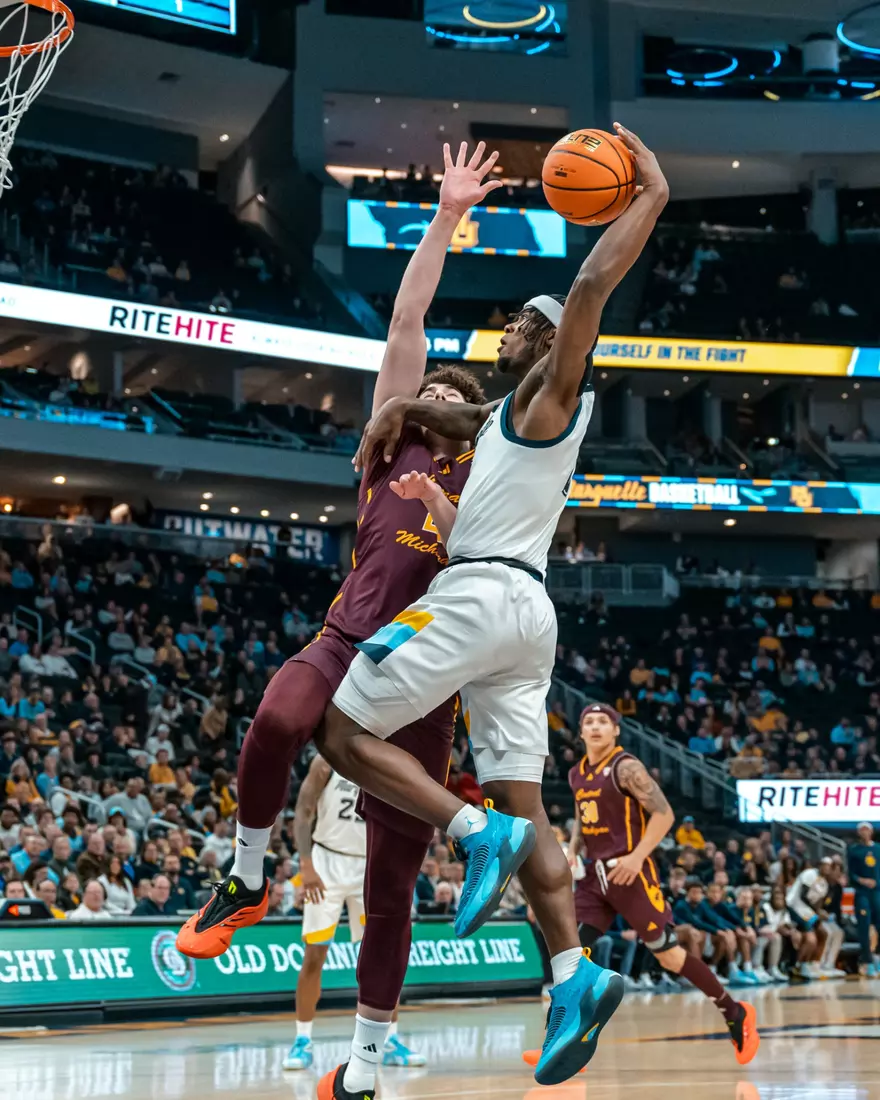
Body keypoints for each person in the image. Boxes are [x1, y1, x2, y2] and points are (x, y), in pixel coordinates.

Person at [310, 124, 671, 1098]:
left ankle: (468, 832)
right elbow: (455, 410)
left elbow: (589, 290)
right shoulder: (516, 414)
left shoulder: (554, 386)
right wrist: (412, 428)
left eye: (522, 318)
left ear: (549, 338)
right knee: (531, 802)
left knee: (338, 728)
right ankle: (569, 975)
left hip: (481, 594)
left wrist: (649, 198)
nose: (507, 325)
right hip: (528, 621)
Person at [177, 143, 504, 1050]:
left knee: (395, 884)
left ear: (464, 420)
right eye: (426, 386)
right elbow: (408, 319)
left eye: (448, 392)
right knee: (279, 715)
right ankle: (246, 877)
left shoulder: (480, 473)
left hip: (430, 675)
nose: (429, 391)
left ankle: (364, 1057)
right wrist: (446, 215)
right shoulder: (382, 450)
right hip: (349, 637)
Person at [569, 704, 759, 1064]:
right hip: (596, 878)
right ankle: (563, 1042)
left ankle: (734, 1012)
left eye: (602, 722)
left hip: (632, 873)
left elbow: (664, 813)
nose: (595, 727)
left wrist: (638, 856)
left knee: (670, 956)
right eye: (588, 722)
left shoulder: (626, 768)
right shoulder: (576, 773)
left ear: (615, 731)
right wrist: (573, 848)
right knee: (570, 952)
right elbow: (581, 813)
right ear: (580, 733)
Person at [282, 755, 424, 1072]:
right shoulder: (328, 760)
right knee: (315, 955)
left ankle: (388, 1039)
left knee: (381, 958)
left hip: (370, 865)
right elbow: (303, 813)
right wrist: (305, 865)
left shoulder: (386, 762)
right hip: (326, 863)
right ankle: (302, 1039)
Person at [848, 821, 880, 977]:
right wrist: (861, 880)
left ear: (871, 832)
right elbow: (850, 873)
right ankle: (866, 961)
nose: (864, 832)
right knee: (864, 925)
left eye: (867, 829)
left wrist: (876, 882)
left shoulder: (878, 849)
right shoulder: (854, 851)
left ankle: (877, 957)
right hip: (862, 893)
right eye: (861, 830)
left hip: (877, 892)